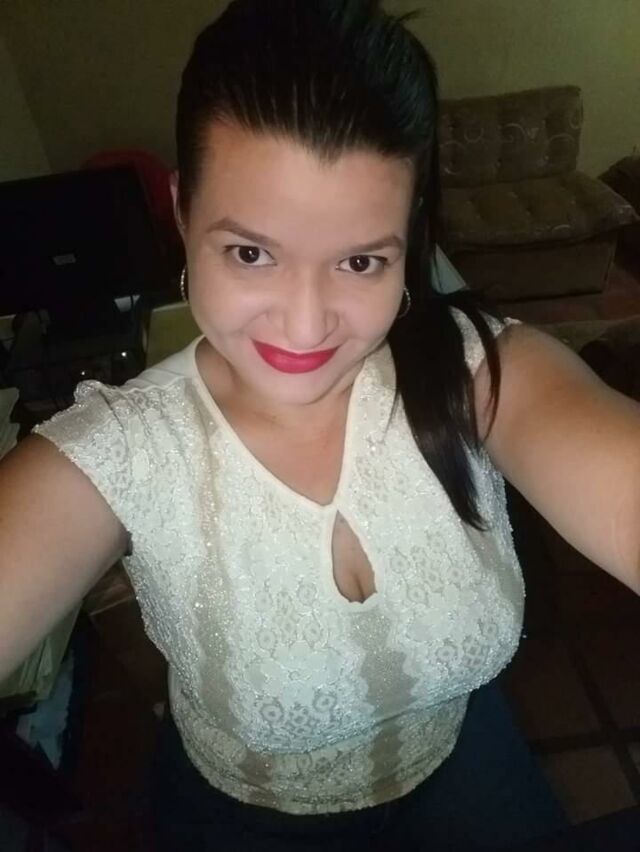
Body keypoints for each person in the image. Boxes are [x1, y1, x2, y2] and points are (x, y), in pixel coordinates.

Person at [1, 1, 639, 849]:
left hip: (471, 765)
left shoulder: (477, 372)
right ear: (183, 213)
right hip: (245, 821)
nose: (304, 328)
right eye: (251, 252)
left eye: (360, 260)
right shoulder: (120, 451)